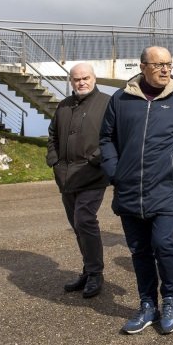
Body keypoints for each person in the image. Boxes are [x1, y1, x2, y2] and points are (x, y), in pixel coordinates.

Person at [99, 46, 173, 336]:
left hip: (167, 186)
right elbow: (106, 139)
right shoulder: (121, 99)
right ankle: (147, 304)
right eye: (158, 65)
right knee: (139, 250)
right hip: (129, 188)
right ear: (142, 66)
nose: (165, 70)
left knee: (165, 244)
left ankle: (170, 299)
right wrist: (114, 172)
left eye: (169, 65)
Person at [46, 62, 111, 299]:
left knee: (85, 220)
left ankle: (96, 274)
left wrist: (96, 160)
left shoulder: (106, 103)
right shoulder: (64, 105)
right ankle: (88, 269)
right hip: (65, 177)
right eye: (76, 79)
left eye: (85, 78)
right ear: (70, 81)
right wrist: (53, 159)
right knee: (77, 224)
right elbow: (52, 133)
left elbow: (113, 137)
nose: (81, 82)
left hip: (92, 174)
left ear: (94, 78)